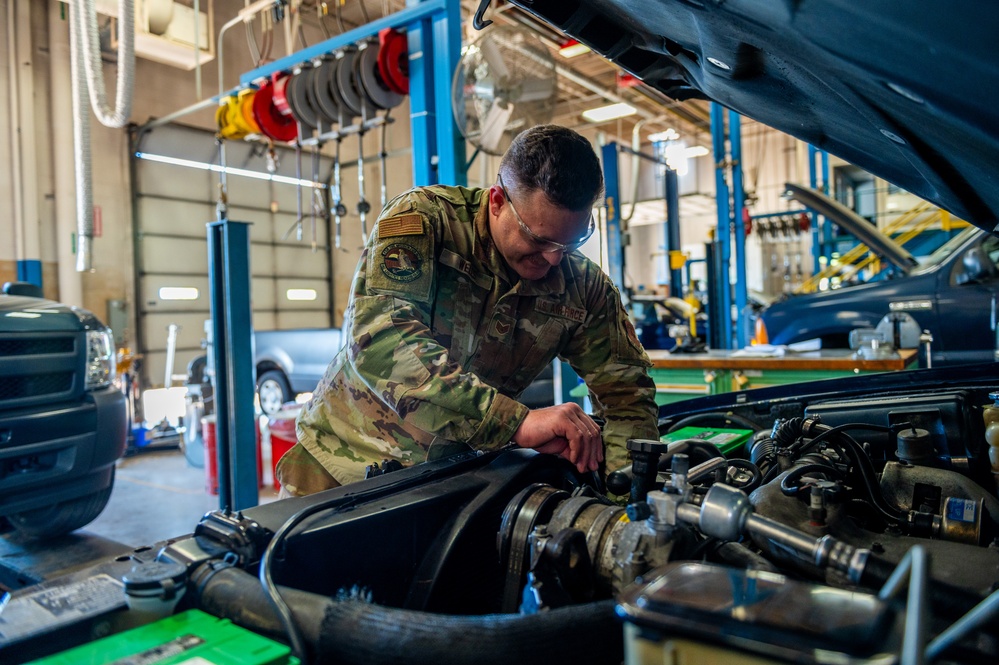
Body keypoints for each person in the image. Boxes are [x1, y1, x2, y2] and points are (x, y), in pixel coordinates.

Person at [275, 124, 659, 496]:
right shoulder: (424, 221)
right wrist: (516, 422)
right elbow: (381, 341)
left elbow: (626, 394)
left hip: (458, 479)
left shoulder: (585, 287)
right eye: (539, 239)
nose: (555, 258)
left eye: (573, 240)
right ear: (497, 201)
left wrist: (628, 497)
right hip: (345, 465)